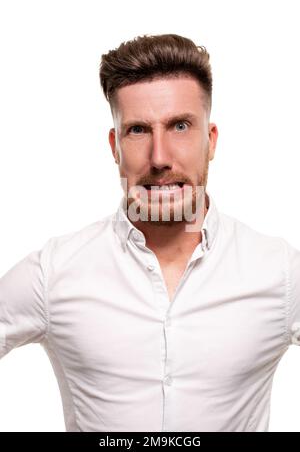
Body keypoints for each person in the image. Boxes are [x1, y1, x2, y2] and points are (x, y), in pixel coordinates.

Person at [0, 33, 299, 432]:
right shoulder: (53, 273)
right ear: (114, 147)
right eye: (139, 130)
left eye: (179, 126)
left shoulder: (278, 271)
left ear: (210, 141)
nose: (160, 158)